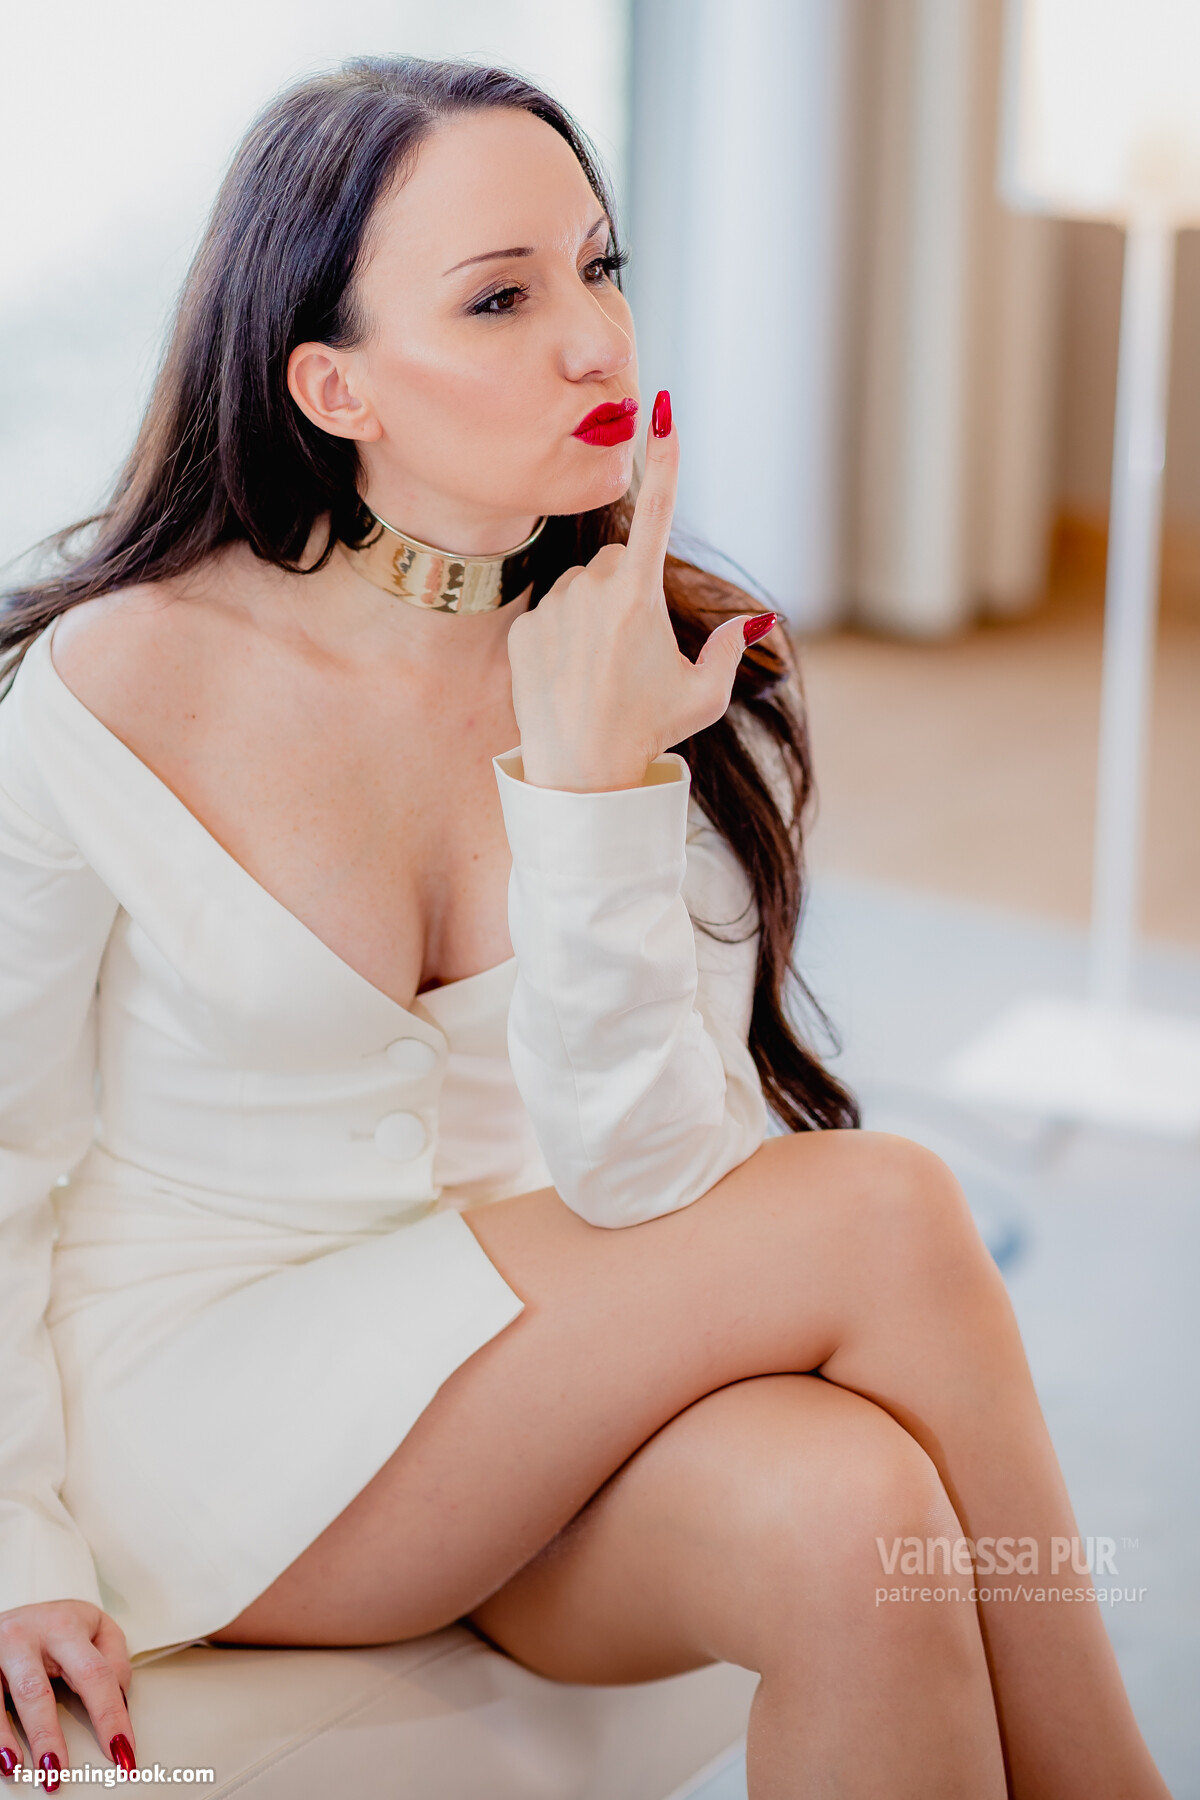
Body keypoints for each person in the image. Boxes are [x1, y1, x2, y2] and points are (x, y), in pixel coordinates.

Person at [0, 55, 1169, 1800]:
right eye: (502, 298)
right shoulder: (123, 676)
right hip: (200, 1414)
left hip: (521, 1393)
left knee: (859, 1519)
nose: (593, 341)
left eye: (600, 267)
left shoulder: (644, 655)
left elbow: (655, 1182)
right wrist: (15, 1541)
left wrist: (595, 787)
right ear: (332, 385)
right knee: (892, 1209)